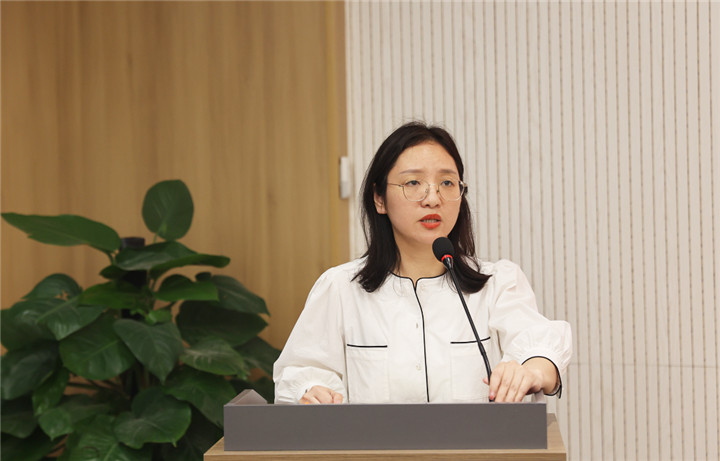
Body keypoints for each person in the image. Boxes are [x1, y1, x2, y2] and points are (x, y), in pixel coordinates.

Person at [273, 121, 572, 404]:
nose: (432, 198)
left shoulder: (497, 283)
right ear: (379, 198)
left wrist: (532, 371)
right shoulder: (340, 288)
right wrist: (312, 391)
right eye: (413, 182)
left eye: (447, 182)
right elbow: (301, 372)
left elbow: (540, 349)